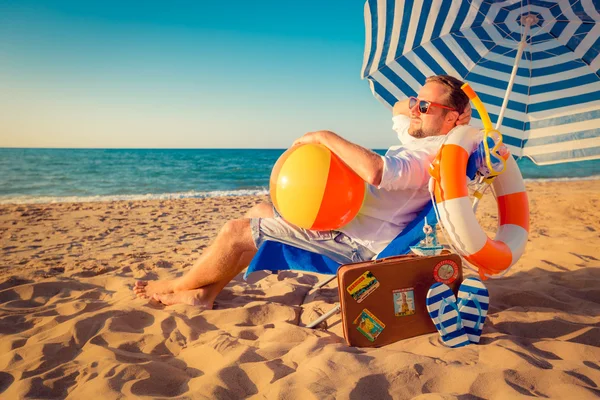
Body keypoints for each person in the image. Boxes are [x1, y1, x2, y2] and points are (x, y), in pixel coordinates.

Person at [133, 74, 471, 307]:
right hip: (346, 225)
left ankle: (176, 286)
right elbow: (400, 111)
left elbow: (375, 171)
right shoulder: (426, 136)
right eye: (417, 101)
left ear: (453, 118)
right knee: (259, 213)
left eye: (424, 107)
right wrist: (419, 105)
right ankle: (203, 295)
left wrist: (323, 136)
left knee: (234, 231)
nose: (414, 109)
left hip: (355, 246)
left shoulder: (428, 156)